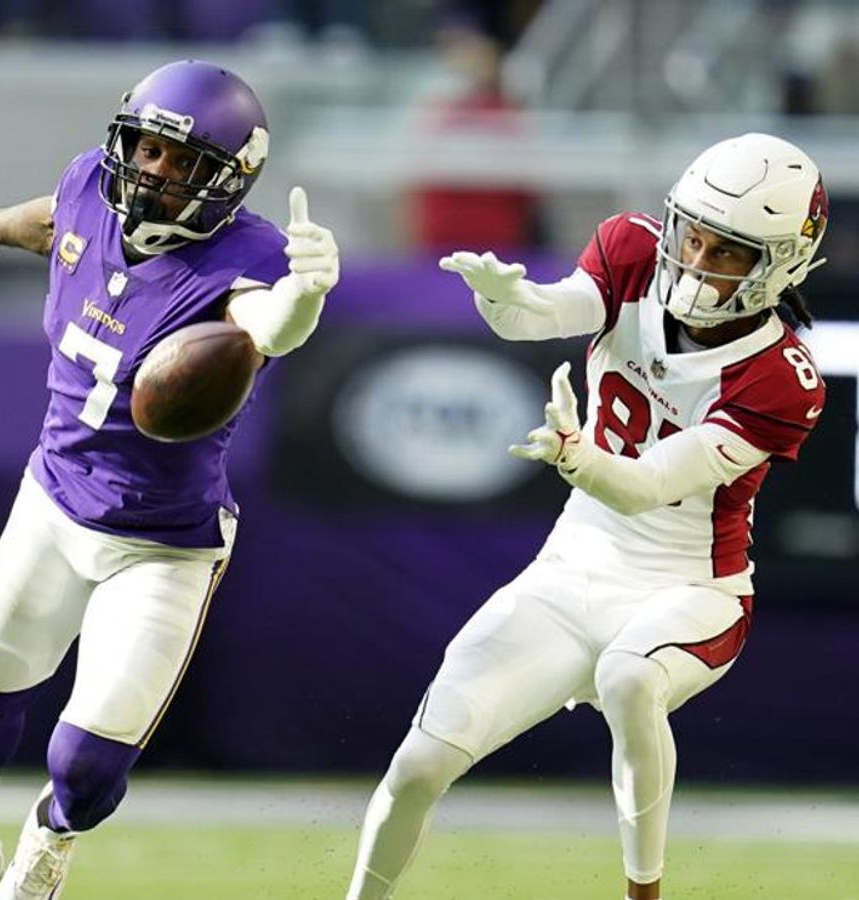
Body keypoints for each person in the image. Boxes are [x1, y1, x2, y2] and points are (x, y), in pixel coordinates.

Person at [0, 59, 340, 900]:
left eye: (181, 162)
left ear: (229, 180)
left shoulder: (249, 258)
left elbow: (265, 324)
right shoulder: (87, 190)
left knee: (86, 767)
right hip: (53, 499)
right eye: (145, 149)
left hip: (162, 542)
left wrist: (305, 298)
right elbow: (54, 220)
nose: (153, 171)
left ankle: (49, 838)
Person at [345, 132, 829, 900]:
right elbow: (549, 312)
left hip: (691, 590)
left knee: (631, 675)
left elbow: (650, 484)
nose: (698, 261)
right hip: (572, 570)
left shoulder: (781, 377)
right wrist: (508, 297)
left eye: (728, 252)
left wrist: (579, 458)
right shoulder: (634, 248)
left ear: (782, 263)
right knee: (420, 762)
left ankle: (643, 891)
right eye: (693, 234)